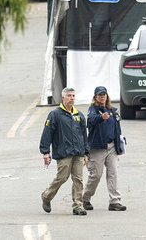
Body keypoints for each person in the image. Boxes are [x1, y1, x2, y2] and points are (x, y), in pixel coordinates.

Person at [40, 87, 90, 215]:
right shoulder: (55, 114)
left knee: (78, 179)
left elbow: (84, 135)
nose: (72, 98)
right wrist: (45, 152)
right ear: (63, 97)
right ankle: (46, 196)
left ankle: (78, 205)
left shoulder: (78, 115)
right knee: (62, 177)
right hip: (64, 152)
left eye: (73, 95)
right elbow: (47, 133)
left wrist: (86, 152)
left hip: (78, 152)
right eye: (69, 96)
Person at [82, 86, 127, 211]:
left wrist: (119, 146)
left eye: (104, 94)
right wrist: (101, 117)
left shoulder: (112, 110)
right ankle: (85, 199)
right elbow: (90, 121)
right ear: (95, 97)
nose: (102, 97)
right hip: (97, 148)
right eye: (99, 95)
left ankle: (115, 201)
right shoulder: (93, 110)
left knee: (113, 173)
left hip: (112, 146)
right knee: (96, 175)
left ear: (107, 96)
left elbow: (117, 129)